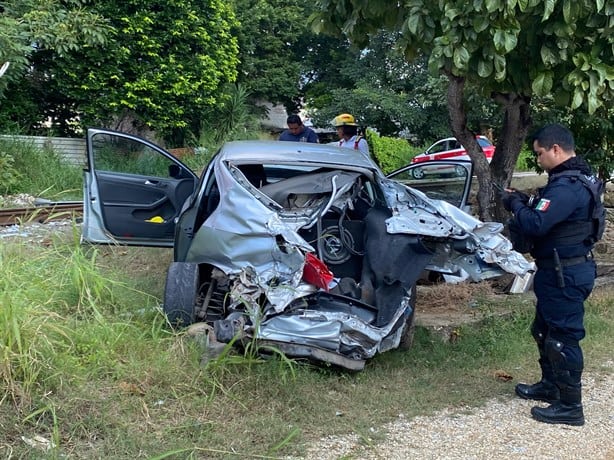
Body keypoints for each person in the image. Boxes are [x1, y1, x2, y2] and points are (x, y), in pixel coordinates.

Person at [501, 123, 604, 426]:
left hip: (566, 273)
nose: (539, 159)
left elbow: (535, 224)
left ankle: (571, 407)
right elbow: (549, 214)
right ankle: (551, 387)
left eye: (540, 153)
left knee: (563, 340)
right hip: (558, 270)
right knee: (544, 332)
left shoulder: (568, 186)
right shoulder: (573, 180)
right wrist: (525, 200)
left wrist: (516, 204)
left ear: (556, 149)